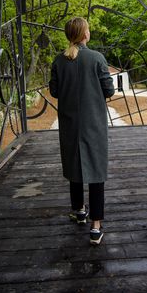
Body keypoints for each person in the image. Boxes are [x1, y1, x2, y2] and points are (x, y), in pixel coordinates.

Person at [49, 17, 115, 245]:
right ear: (84, 34)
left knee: (74, 164)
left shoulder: (59, 61)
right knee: (96, 172)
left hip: (69, 123)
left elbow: (55, 91)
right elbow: (109, 90)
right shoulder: (97, 58)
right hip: (93, 123)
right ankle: (96, 227)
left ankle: (79, 211)